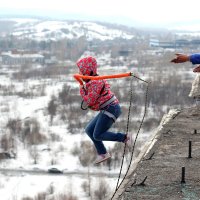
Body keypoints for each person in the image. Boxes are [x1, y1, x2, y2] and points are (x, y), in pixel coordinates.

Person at [76, 56, 130, 164]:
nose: (80, 73)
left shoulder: (96, 82)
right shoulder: (92, 82)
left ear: (87, 71)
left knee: (97, 134)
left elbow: (90, 100)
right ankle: (103, 153)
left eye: (82, 71)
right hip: (106, 108)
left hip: (111, 108)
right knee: (89, 130)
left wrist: (82, 89)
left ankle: (125, 138)